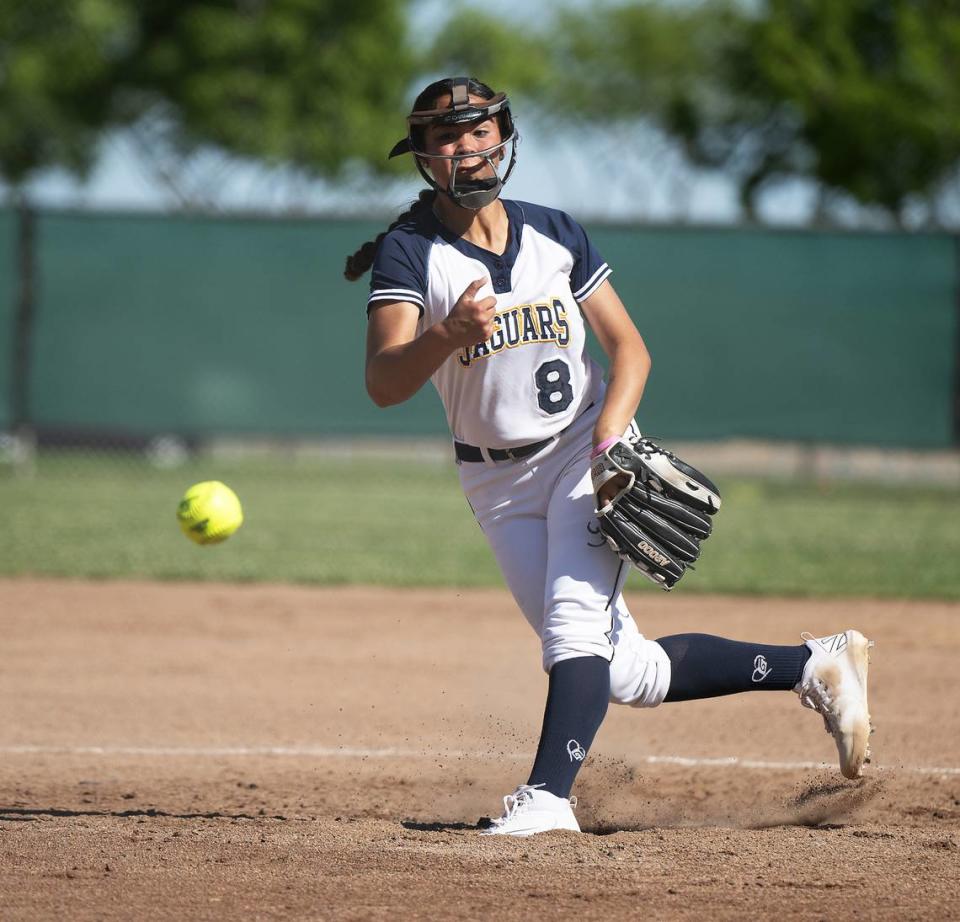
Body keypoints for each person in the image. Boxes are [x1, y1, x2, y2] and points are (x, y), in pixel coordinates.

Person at [345, 76, 873, 837]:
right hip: (494, 479)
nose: (471, 146)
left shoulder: (556, 231)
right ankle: (818, 664)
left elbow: (629, 350)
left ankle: (547, 798)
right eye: (451, 137)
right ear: (425, 158)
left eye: (483, 129)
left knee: (572, 630)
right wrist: (446, 336)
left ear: (506, 136)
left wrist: (610, 441)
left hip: (580, 453)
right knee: (629, 670)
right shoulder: (410, 253)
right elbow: (383, 383)